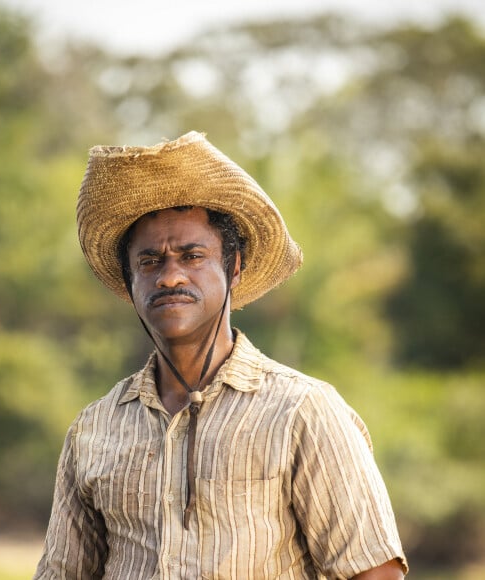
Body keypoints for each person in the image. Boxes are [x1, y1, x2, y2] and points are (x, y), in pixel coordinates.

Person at [34, 131, 408, 579]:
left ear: (233, 268)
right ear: (130, 284)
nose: (170, 277)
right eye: (150, 262)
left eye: (192, 256)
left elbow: (375, 573)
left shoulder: (302, 411)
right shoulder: (94, 429)